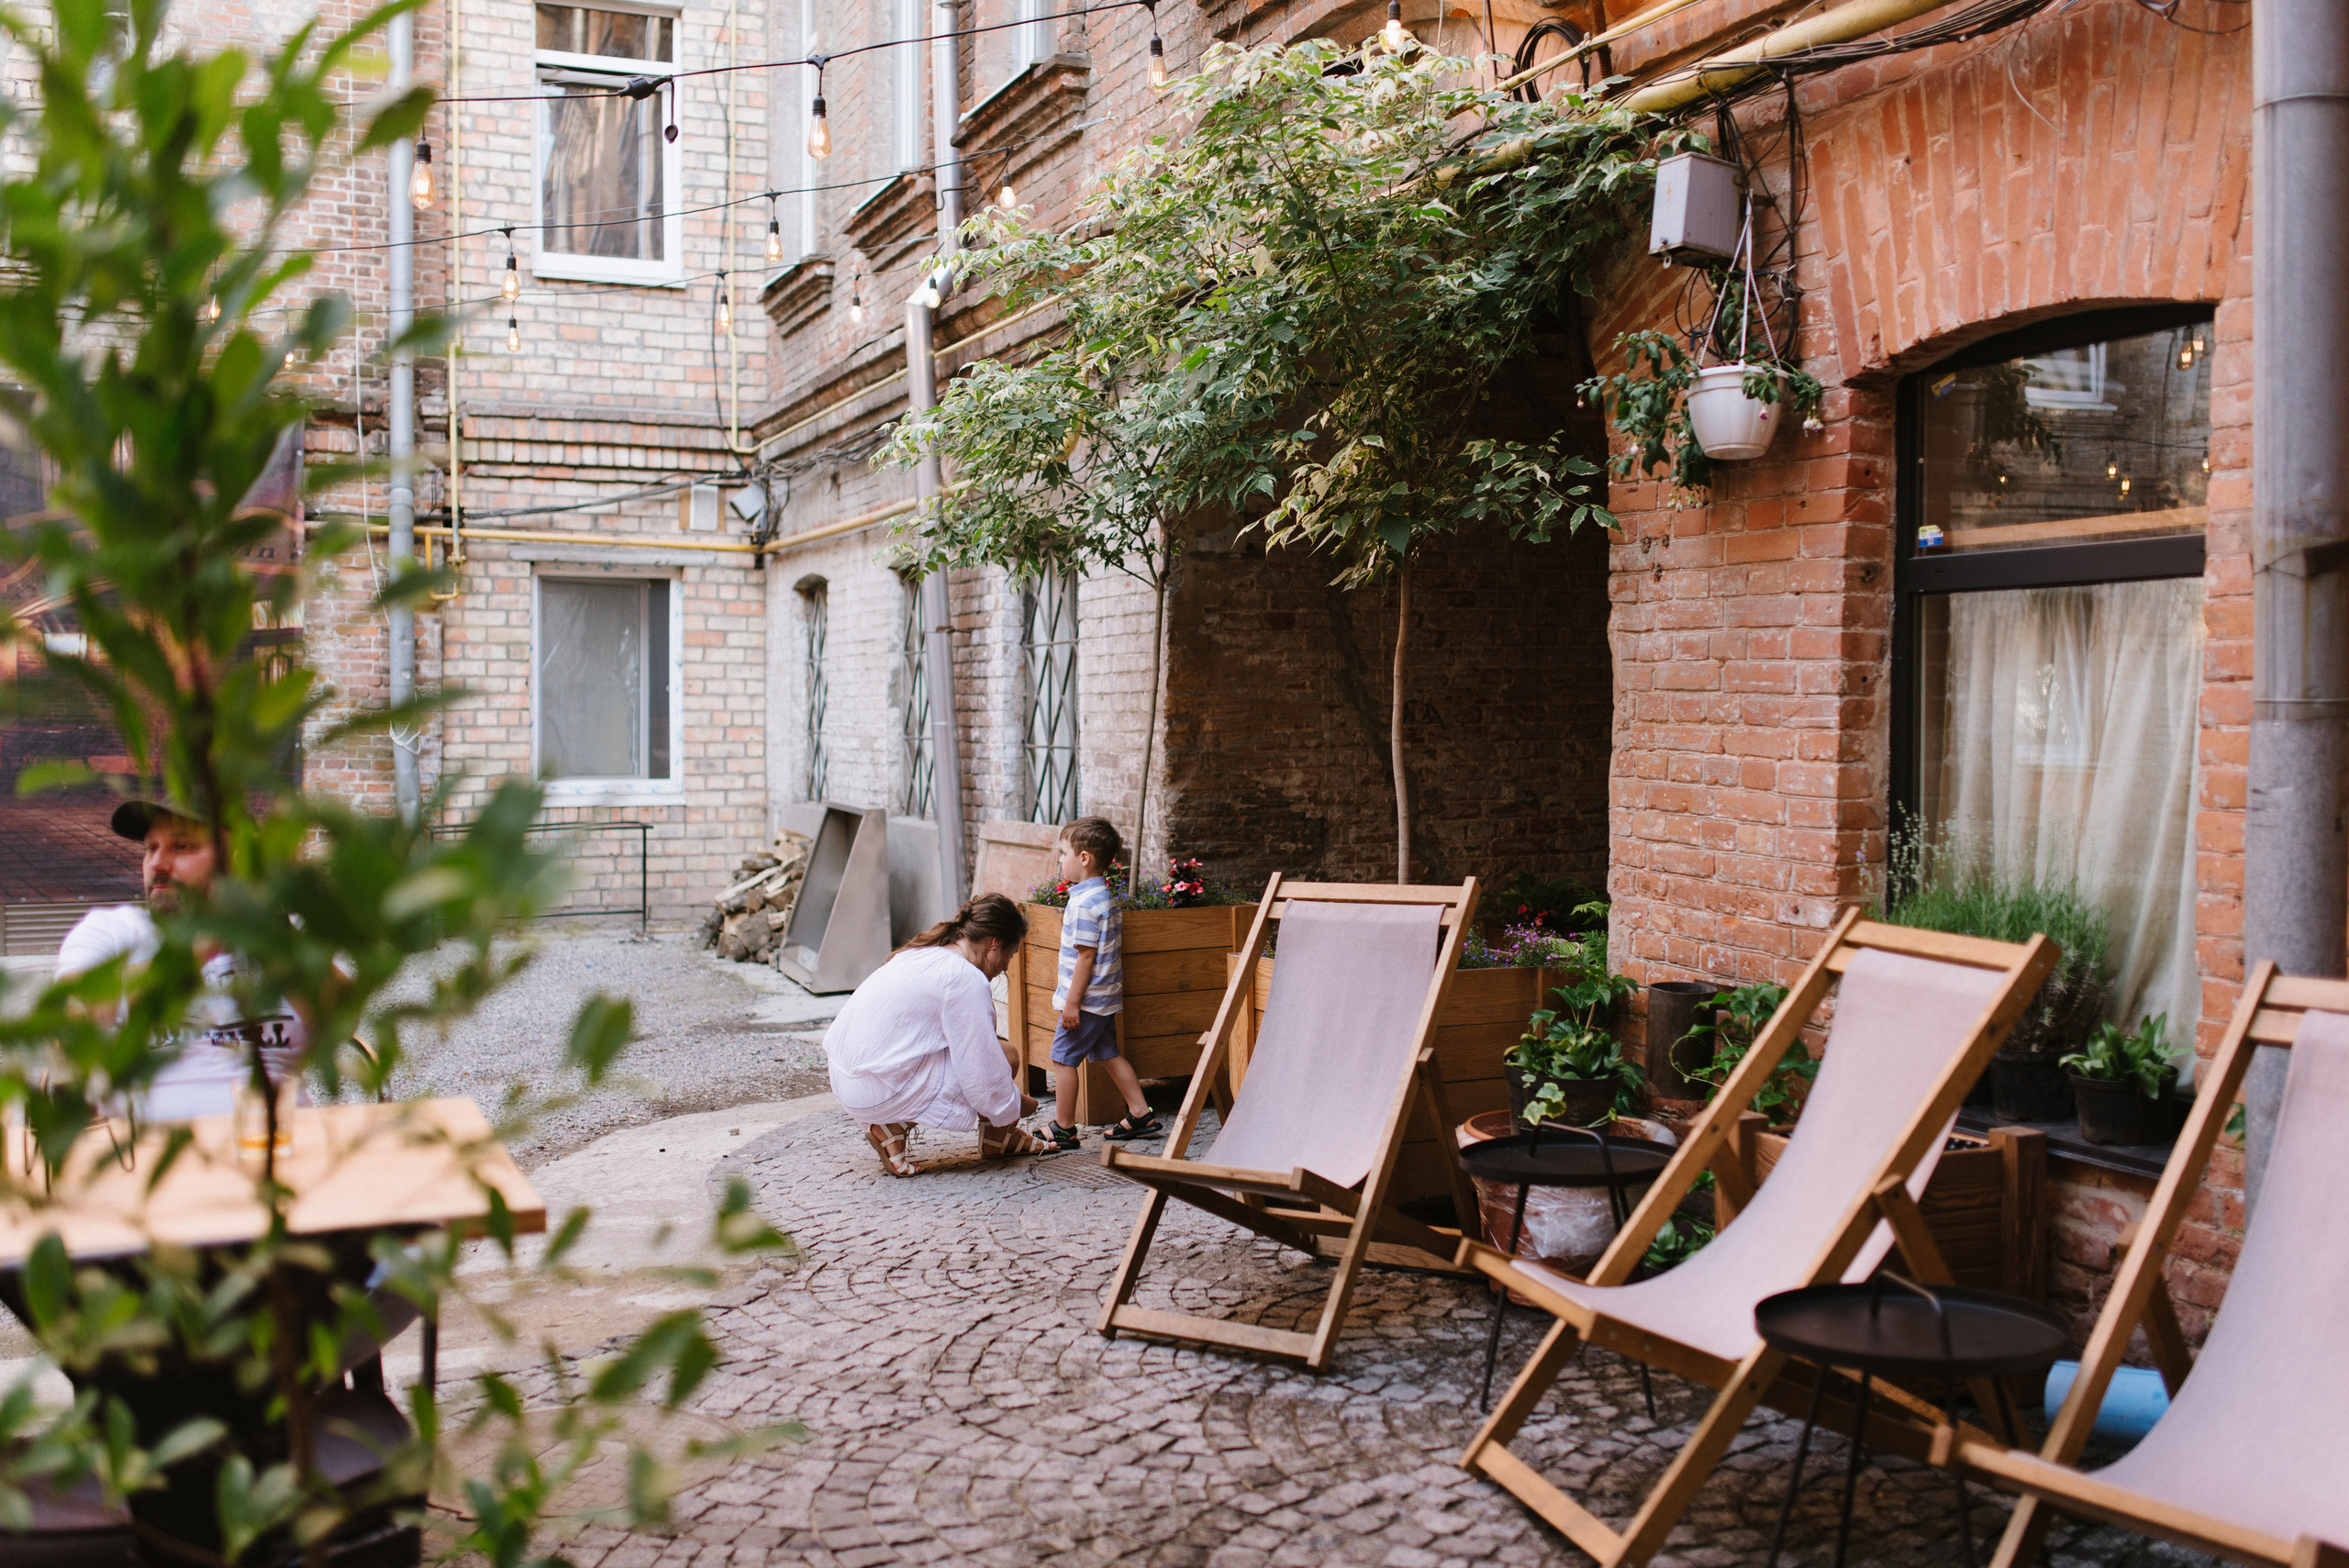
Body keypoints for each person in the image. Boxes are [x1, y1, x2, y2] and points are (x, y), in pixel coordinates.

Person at [53, 797, 306, 1122]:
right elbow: (71, 1021)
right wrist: (204, 942)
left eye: (182, 847)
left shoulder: (282, 937)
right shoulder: (112, 931)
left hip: (283, 1142)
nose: (157, 864)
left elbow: (337, 1015)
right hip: (146, 1146)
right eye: (150, 848)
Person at [822, 893, 1061, 1176]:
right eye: (1010, 955)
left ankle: (902, 1129)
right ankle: (900, 1124)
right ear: (994, 944)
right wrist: (1014, 1105)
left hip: (844, 1079)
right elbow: (981, 1069)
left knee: (997, 1053)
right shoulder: (964, 978)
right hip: (874, 1089)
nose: (1006, 966)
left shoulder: (926, 952)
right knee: (1005, 1058)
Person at [1038, 816, 1160, 1152]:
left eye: (1063, 853)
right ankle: (1140, 1113)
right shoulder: (1101, 896)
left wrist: (1072, 1003)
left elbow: (1086, 957)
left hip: (1087, 1001)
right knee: (1108, 1053)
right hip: (1104, 999)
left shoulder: (1084, 904)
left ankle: (1064, 1128)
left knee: (1063, 1058)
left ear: (1084, 858)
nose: (1060, 859)